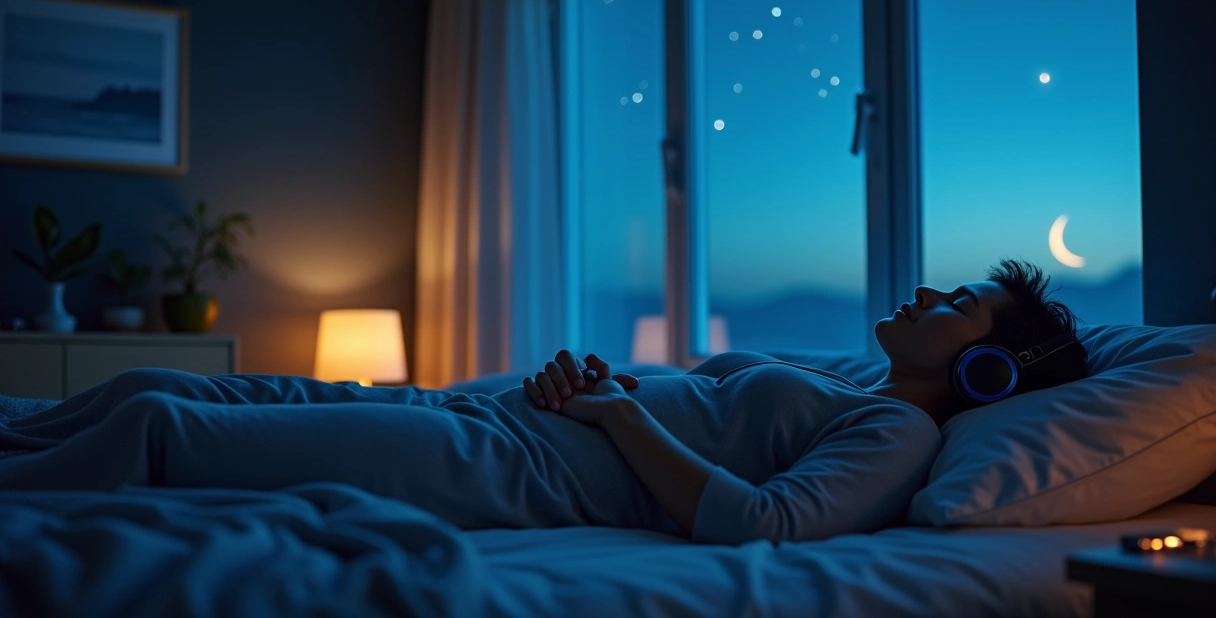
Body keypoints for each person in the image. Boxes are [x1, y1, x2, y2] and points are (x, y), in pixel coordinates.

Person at [0, 259, 1087, 546]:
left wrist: (617, 416)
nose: (927, 294)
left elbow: (761, 521)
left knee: (162, 430)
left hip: (499, 469)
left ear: (989, 372)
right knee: (151, 382)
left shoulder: (897, 431)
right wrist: (592, 391)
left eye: (959, 306)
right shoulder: (854, 384)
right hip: (481, 416)